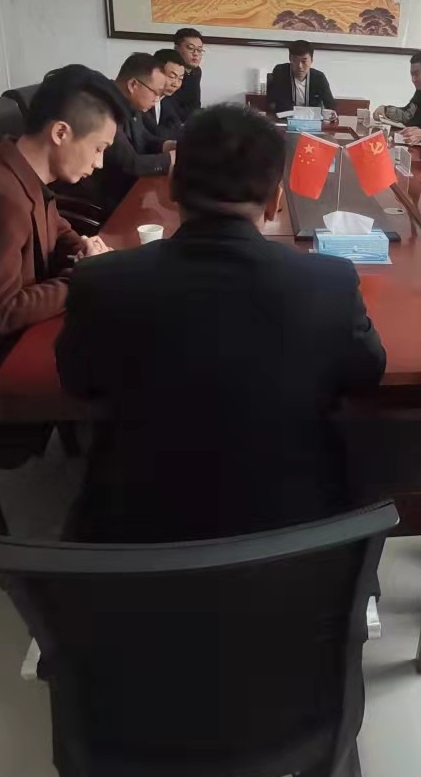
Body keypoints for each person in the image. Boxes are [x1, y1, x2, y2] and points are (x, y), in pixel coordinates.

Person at [57, 105, 388, 542]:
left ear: (172, 186)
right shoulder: (330, 283)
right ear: (276, 200)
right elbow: (366, 373)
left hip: (134, 547)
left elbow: (78, 382)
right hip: (296, 545)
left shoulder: (100, 282)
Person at [0, 64, 123, 387]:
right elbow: (0, 314)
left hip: (18, 340)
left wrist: (88, 253)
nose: (99, 163)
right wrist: (81, 278)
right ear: (60, 133)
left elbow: (57, 228)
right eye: (98, 148)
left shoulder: (18, 168)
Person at [64, 52, 174, 209]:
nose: (156, 100)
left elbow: (144, 138)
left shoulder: (130, 103)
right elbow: (130, 164)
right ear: (133, 85)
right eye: (155, 92)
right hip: (100, 201)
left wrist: (169, 145)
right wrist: (170, 159)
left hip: (123, 191)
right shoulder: (104, 107)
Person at [377, 50, 421, 128]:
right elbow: (408, 114)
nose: (413, 79)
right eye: (412, 75)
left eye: (416, 74)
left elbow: (416, 123)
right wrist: (386, 110)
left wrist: (387, 111)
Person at [266, 40, 337, 114]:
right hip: (285, 118)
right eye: (295, 61)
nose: (299, 66)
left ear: (311, 60)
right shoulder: (281, 72)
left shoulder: (318, 77)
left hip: (312, 118)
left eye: (304, 61)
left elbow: (331, 105)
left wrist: (332, 114)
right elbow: (272, 102)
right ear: (290, 59)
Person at [144, 47, 189, 142]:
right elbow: (153, 133)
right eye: (172, 77)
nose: (176, 84)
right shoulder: (142, 99)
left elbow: (177, 127)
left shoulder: (169, 99)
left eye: (180, 79)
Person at [169, 27, 204, 114]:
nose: (195, 53)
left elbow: (195, 105)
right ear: (176, 49)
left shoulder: (196, 71)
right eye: (190, 48)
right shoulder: (167, 70)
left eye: (199, 50)